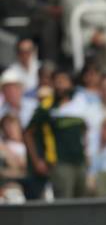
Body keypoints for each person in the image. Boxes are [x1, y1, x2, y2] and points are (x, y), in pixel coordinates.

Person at [24, 70, 88, 199]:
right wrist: (37, 161)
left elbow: (84, 130)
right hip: (59, 163)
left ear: (71, 84)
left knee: (83, 203)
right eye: (57, 82)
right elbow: (28, 133)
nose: (60, 85)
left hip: (80, 161)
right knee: (65, 203)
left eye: (63, 81)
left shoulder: (79, 103)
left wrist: (86, 151)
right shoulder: (46, 107)